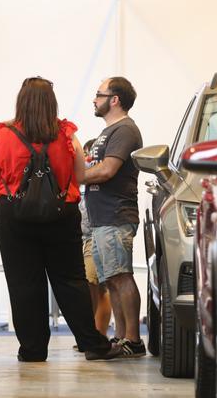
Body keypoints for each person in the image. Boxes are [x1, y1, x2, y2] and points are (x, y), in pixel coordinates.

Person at [0, 77, 117, 362]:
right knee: (70, 280)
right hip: (61, 214)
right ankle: (91, 343)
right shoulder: (66, 133)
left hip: (13, 216)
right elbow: (80, 175)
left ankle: (32, 349)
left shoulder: (1, 134)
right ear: (51, 103)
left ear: (21, 101)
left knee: (23, 282)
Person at [81, 76, 145, 358]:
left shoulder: (125, 130)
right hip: (101, 219)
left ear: (114, 99)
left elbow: (107, 170)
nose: (94, 99)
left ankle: (133, 339)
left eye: (99, 94)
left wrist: (72, 177)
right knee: (112, 280)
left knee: (121, 277)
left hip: (115, 214)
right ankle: (121, 338)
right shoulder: (108, 132)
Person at [81, 138, 112, 337]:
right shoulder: (83, 182)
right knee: (95, 287)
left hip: (95, 235)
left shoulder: (100, 181)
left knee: (94, 285)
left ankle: (96, 334)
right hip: (83, 238)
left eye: (89, 154)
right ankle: (95, 333)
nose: (85, 158)